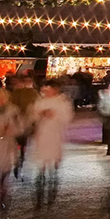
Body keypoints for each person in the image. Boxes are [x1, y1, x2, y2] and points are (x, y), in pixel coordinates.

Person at [30, 78, 73, 210]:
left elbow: (67, 118)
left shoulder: (62, 102)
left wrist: (54, 115)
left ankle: (51, 194)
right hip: (42, 137)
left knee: (52, 168)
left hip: (54, 136)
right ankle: (39, 197)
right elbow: (32, 116)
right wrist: (39, 115)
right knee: (40, 168)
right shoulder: (40, 102)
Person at [0, 87, 21, 214]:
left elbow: (20, 126)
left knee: (4, 174)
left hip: (6, 146)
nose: (0, 101)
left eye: (1, 98)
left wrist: (11, 130)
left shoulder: (13, 111)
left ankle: (2, 199)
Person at [9, 73, 38, 179]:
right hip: (21, 120)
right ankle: (20, 158)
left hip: (23, 121)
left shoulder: (19, 92)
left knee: (21, 141)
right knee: (21, 141)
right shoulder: (29, 92)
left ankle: (19, 159)